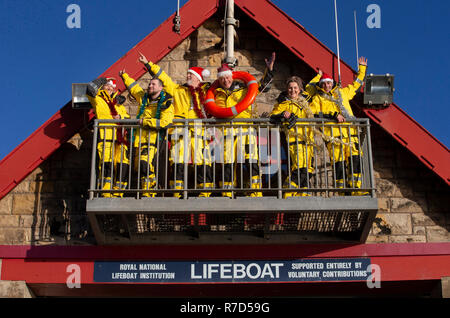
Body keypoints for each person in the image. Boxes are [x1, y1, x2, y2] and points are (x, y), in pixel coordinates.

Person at [137, 53, 214, 200]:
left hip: (199, 131)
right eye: (187, 75)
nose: (187, 77)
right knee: (177, 158)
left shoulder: (206, 91)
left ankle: (205, 191)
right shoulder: (177, 90)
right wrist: (148, 64)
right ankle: (177, 191)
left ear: (199, 78)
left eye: (190, 75)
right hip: (180, 131)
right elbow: (164, 78)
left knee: (202, 159)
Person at [212, 52, 276, 198]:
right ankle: (227, 193)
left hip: (246, 130)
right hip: (227, 132)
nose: (225, 80)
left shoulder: (244, 89)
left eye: (227, 77)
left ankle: (255, 191)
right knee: (227, 162)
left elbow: (263, 87)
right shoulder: (217, 93)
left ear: (232, 76)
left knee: (251, 159)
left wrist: (269, 70)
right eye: (222, 78)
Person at [310, 56, 368, 195]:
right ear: (321, 85)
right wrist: (333, 116)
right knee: (339, 163)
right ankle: (342, 191)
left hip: (350, 133)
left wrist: (362, 68)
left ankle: (356, 188)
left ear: (332, 83)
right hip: (334, 136)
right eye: (324, 84)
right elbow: (314, 114)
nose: (327, 86)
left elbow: (357, 84)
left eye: (329, 83)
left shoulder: (342, 93)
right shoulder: (317, 99)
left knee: (355, 159)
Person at [119, 70, 174, 197]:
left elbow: (166, 122)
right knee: (140, 167)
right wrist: (124, 76)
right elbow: (134, 88)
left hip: (153, 140)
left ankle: (151, 189)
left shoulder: (166, 102)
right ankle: (147, 191)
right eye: (149, 84)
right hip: (139, 139)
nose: (150, 86)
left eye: (153, 84)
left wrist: (146, 121)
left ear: (161, 87)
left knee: (145, 163)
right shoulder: (144, 98)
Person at [270, 75, 316, 198]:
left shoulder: (306, 102)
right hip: (294, 140)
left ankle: (304, 192)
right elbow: (273, 115)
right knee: (299, 166)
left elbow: (314, 87)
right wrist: (283, 114)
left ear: (300, 89)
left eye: (295, 88)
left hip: (308, 140)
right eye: (290, 88)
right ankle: (288, 191)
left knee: (308, 167)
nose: (293, 90)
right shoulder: (284, 103)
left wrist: (319, 74)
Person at [86, 77, 130, 197]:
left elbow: (128, 119)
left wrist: (120, 118)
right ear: (102, 87)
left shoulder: (119, 104)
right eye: (107, 86)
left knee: (123, 163)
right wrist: (104, 79)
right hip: (106, 136)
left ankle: (118, 192)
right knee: (106, 162)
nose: (110, 88)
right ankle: (106, 192)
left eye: (111, 86)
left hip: (120, 138)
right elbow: (89, 89)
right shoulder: (98, 99)